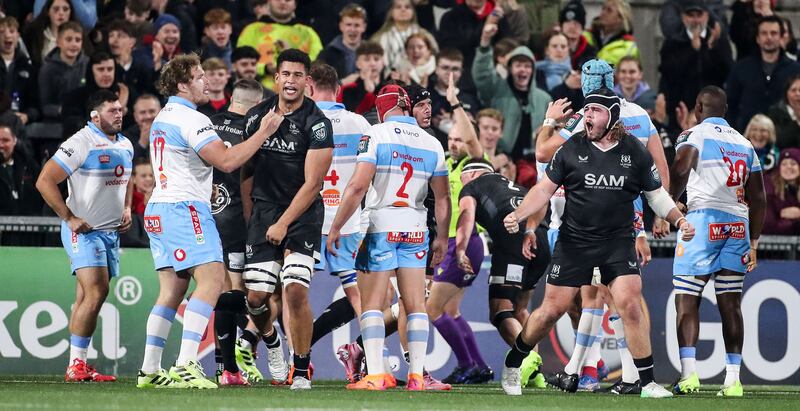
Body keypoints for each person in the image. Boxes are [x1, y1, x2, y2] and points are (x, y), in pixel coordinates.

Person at [499, 88, 693, 398]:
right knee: (551, 310)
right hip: (575, 242)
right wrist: (520, 214)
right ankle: (513, 362)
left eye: (595, 111)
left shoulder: (635, 152)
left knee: (630, 305)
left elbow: (656, 195)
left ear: (613, 116)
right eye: (586, 110)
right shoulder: (571, 148)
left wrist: (678, 220)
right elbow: (543, 190)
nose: (587, 116)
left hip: (618, 242)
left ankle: (646, 383)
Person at [136, 53, 283, 389]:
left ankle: (150, 369)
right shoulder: (193, 119)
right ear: (183, 84)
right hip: (184, 208)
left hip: (159, 208)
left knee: (171, 292)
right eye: (200, 76)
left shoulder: (163, 116)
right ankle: (187, 364)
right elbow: (227, 161)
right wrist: (264, 131)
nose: (206, 81)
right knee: (213, 281)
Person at [327, 84, 449, 391]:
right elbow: (444, 199)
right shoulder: (432, 142)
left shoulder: (376, 134)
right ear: (407, 107)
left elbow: (357, 186)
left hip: (380, 226)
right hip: (416, 228)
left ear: (382, 109)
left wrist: (337, 225)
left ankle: (376, 375)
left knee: (371, 303)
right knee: (415, 304)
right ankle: (418, 376)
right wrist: (442, 239)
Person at [241, 49, 333, 390]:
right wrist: (255, 218)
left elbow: (314, 184)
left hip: (303, 214)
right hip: (264, 213)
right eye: (286, 74)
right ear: (276, 78)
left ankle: (302, 368)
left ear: (306, 81)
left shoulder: (318, 124)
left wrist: (282, 224)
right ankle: (272, 343)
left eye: (298, 75)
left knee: (294, 291)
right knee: (255, 299)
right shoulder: (257, 116)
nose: (291, 81)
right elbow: (245, 170)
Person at [669, 85, 766, 397]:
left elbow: (682, 168)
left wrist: (668, 206)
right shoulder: (745, 143)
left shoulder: (694, 134)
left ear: (699, 107)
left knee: (686, 298)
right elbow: (759, 197)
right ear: (724, 112)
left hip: (702, 221)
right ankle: (733, 380)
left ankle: (689, 375)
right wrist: (753, 242)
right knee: (730, 303)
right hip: (737, 225)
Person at [35, 90, 134, 383]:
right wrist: (69, 217)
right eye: (112, 110)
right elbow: (44, 180)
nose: (119, 114)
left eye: (120, 109)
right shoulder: (81, 142)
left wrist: (126, 208)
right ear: (95, 116)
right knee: (96, 292)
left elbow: (125, 179)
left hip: (110, 234)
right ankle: (75, 366)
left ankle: (78, 363)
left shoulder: (126, 144)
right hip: (84, 232)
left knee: (86, 297)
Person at [455, 158, 550, 388]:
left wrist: (460, 248)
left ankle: (526, 358)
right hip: (540, 239)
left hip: (512, 242)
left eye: (462, 177)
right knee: (520, 310)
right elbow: (542, 201)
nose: (460, 182)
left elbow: (466, 216)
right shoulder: (515, 186)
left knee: (500, 311)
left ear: (473, 174)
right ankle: (535, 372)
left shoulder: (472, 187)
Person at [424, 72, 491, 385]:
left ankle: (467, 364)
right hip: (455, 243)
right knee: (450, 309)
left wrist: (455, 104)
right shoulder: (448, 165)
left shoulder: (473, 164)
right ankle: (478, 364)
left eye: (459, 140)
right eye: (450, 139)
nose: (453, 144)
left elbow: (474, 142)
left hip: (462, 242)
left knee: (432, 307)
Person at [306, 63, 371, 349]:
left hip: (309, 221)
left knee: (292, 290)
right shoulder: (360, 124)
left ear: (309, 87)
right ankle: (373, 358)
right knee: (359, 295)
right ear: (338, 89)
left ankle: (296, 362)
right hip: (349, 222)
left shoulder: (302, 121)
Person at [207, 78, 265, 386]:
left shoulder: (207, 124)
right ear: (256, 105)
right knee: (237, 293)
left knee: (220, 293)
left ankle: (225, 366)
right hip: (238, 221)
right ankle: (231, 364)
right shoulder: (254, 130)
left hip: (205, 217)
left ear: (232, 98)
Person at [658, 0, 733, 133]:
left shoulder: (718, 41)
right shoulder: (673, 42)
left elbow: (727, 71)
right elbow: (669, 72)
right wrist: (692, 50)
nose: (695, 20)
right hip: (681, 109)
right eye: (691, 15)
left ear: (707, 16)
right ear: (683, 17)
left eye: (699, 15)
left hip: (712, 110)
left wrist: (711, 49)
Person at [472, 37, 550, 162]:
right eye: (518, 65)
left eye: (527, 66)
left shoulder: (544, 98)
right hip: (502, 157)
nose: (523, 70)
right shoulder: (496, 89)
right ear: (510, 68)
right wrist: (485, 47)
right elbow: (482, 75)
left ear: (533, 70)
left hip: (533, 161)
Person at [726, 15, 800, 132]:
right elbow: (730, 103)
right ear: (758, 38)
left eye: (774, 33)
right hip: (746, 136)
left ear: (781, 37)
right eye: (764, 33)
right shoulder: (741, 68)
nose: (769, 37)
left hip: (785, 138)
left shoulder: (795, 69)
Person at [236, 0, 323, 90]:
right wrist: (265, 68)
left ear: (295, 4)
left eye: (288, 0)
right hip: (258, 92)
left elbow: (318, 63)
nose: (282, 2)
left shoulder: (307, 33)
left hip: (299, 93)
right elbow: (239, 62)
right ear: (268, 2)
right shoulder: (252, 30)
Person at [62, 51, 131, 138]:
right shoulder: (75, 97)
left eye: (110, 69)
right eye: (101, 69)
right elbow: (72, 127)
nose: (106, 74)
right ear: (91, 71)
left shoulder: (125, 93)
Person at [38, 21, 89, 123]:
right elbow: (44, 105)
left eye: (78, 40)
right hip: (55, 122)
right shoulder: (47, 69)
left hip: (84, 120)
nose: (74, 44)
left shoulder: (88, 64)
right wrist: (63, 110)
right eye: (69, 40)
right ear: (58, 42)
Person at [370, 0, 436, 76]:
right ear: (391, 12)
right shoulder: (378, 38)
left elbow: (435, 59)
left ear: (413, 12)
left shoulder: (426, 36)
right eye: (398, 7)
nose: (403, 9)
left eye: (407, 7)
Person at [0, 16, 38, 125]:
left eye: (11, 31)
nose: (7, 35)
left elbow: (35, 104)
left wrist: (27, 116)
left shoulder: (28, 67)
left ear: (18, 36)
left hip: (19, 122)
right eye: (2, 32)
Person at [0, 124, 42, 215]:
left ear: (14, 141)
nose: (1, 145)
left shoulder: (29, 165)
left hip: (30, 223)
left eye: (5, 140)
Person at [317, 4, 368, 79]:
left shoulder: (371, 53)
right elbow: (319, 82)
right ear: (341, 26)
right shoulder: (327, 54)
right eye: (348, 25)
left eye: (357, 25)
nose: (352, 29)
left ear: (364, 27)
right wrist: (343, 83)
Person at [584, 0, 639, 67]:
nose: (603, 13)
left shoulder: (628, 47)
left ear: (620, 18)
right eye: (603, 8)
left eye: (609, 10)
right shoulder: (585, 37)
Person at [338, 41, 386, 115]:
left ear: (383, 62)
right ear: (358, 64)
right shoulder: (349, 89)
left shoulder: (388, 87)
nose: (372, 63)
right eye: (367, 59)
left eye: (376, 59)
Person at [763, 148, 800, 235]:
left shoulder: (794, 190)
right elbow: (768, 226)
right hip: (773, 246)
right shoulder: (769, 188)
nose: (788, 167)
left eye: (793, 163)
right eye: (784, 164)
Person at [559, 1, 596, 71]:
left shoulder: (590, 53)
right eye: (568, 22)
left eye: (576, 23)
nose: (572, 27)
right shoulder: (552, 48)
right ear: (561, 26)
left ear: (583, 27)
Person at [766, 73, 800, 150]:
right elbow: (781, 141)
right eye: (793, 90)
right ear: (786, 93)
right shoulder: (775, 113)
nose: (798, 94)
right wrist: (796, 118)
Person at [124, 94, 161, 161]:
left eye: (152, 111)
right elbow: (125, 163)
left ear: (161, 112)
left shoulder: (172, 132)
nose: (148, 116)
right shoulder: (125, 138)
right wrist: (142, 143)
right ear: (135, 116)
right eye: (142, 112)